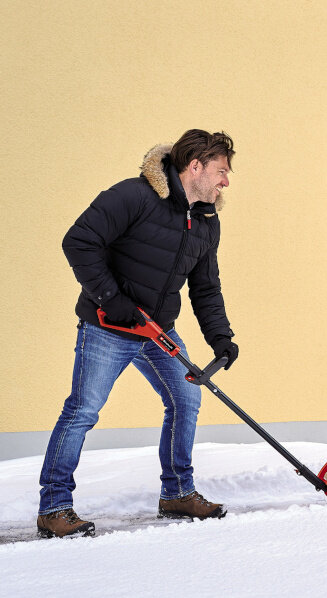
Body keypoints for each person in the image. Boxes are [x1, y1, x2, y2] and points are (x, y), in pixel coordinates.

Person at [37, 130, 240, 538]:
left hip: (157, 330)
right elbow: (78, 241)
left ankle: (177, 493)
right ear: (194, 166)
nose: (226, 182)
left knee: (185, 399)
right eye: (220, 171)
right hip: (107, 327)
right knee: (83, 411)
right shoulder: (134, 196)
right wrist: (111, 299)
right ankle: (54, 507)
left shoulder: (204, 221)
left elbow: (205, 287)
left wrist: (220, 337)